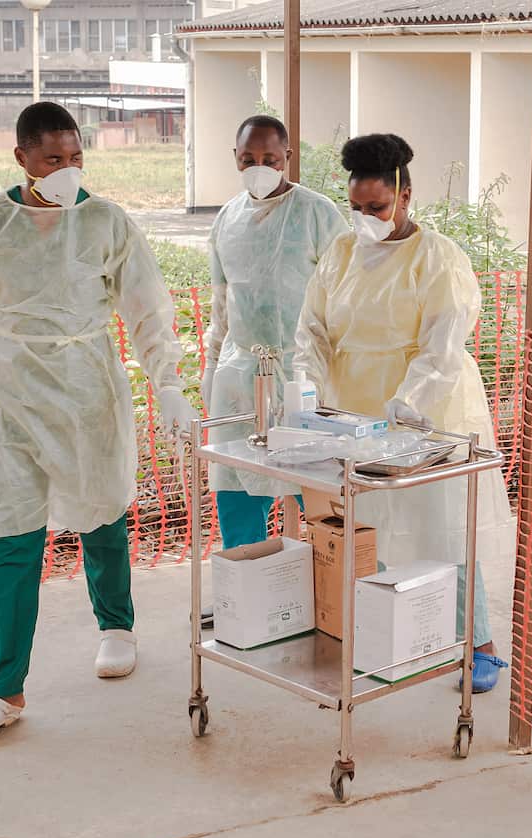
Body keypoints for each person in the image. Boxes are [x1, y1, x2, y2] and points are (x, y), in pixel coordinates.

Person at [0, 102, 196, 748]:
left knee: (102, 511)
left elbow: (145, 306)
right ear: (21, 157)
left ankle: (117, 626)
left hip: (87, 391)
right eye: (54, 159)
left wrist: (168, 383)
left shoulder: (106, 222)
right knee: (10, 539)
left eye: (77, 157)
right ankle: (4, 688)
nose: (67, 170)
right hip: (12, 399)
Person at [294, 133, 513, 693]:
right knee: (379, 529)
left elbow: (443, 345)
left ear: (406, 196)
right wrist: (310, 387)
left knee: (444, 526)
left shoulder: (438, 258)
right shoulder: (341, 254)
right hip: (356, 411)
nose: (366, 219)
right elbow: (313, 330)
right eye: (357, 208)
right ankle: (402, 635)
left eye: (378, 208)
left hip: (430, 411)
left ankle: (478, 643)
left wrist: (406, 405)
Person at [200, 115, 347, 617]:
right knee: (237, 486)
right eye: (248, 159)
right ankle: (241, 593)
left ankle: (336, 597)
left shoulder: (317, 214)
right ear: (234, 158)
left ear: (287, 158)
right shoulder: (226, 219)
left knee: (318, 489)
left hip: (301, 373)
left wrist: (331, 382)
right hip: (241, 377)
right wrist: (212, 366)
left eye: (269, 159)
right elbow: (222, 305)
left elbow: (343, 300)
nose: (258, 167)